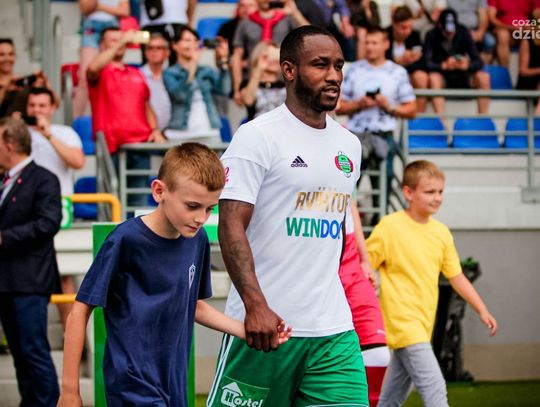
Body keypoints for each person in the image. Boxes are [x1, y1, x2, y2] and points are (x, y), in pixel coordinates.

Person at [57, 143, 291, 407]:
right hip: (132, 383)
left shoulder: (198, 240)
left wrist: (246, 331)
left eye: (209, 208)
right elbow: (80, 310)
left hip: (175, 383)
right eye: (192, 206)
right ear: (159, 191)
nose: (201, 218)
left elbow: (192, 305)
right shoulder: (125, 240)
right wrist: (70, 391)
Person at [206, 26, 368, 407]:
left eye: (338, 66)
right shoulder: (257, 136)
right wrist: (255, 305)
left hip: (333, 330)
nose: (333, 75)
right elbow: (230, 224)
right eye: (320, 65)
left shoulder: (350, 145)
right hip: (265, 328)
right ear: (289, 70)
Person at [366, 160, 498, 407]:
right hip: (403, 324)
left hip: (424, 324)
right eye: (429, 192)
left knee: (391, 398)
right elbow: (365, 264)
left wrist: (482, 309)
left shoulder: (441, 233)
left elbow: (457, 277)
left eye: (440, 191)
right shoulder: (389, 227)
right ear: (408, 193)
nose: (437, 198)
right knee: (435, 388)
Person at [0, 117, 62, 407]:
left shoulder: (44, 179)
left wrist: (5, 237)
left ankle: (48, 403)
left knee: (33, 350)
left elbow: (48, 223)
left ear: (10, 144)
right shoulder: (4, 180)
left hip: (30, 281)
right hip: (6, 281)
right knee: (19, 353)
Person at [336, 26, 416, 221]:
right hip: (355, 137)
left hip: (384, 136)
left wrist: (389, 106)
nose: (370, 47)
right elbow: (338, 106)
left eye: (374, 43)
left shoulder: (397, 72)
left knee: (383, 190)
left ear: (386, 44)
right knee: (346, 187)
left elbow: (412, 110)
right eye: (367, 43)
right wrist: (360, 104)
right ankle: (348, 231)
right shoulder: (354, 70)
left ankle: (377, 228)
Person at [25, 87, 86, 328]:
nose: (36, 110)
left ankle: (71, 338)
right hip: (24, 214)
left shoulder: (65, 132)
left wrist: (48, 134)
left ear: (52, 108)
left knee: (64, 278)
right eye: (32, 105)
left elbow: (78, 161)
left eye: (42, 105)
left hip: (59, 212)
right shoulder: (17, 133)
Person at [87, 28, 165, 207]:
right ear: (103, 45)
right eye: (113, 40)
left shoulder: (135, 72)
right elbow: (92, 68)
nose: (120, 43)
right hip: (111, 147)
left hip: (139, 147)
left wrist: (155, 130)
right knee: (111, 202)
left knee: (138, 203)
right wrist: (123, 41)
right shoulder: (100, 72)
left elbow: (146, 105)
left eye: (121, 39)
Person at [339, 199, 390, 407]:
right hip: (318, 269)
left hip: (352, 266)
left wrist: (365, 260)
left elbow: (349, 203)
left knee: (378, 355)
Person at [230, 0, 308, 106]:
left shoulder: (287, 18)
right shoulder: (245, 22)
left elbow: (310, 37)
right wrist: (237, 88)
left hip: (283, 78)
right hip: (254, 78)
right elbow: (237, 56)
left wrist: (295, 13)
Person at [163, 25, 231, 143]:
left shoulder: (206, 70)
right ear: (174, 45)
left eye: (195, 41)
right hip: (179, 134)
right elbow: (180, 95)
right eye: (187, 40)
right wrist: (192, 65)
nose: (192, 45)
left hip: (209, 131)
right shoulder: (170, 73)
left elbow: (225, 90)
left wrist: (224, 60)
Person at [424, 8, 490, 114]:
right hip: (444, 77)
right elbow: (426, 63)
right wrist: (443, 65)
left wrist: (467, 65)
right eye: (447, 31)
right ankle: (442, 121)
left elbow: (479, 61)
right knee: (433, 77)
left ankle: (483, 118)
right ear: (440, 26)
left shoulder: (464, 33)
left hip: (463, 76)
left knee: (484, 77)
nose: (450, 34)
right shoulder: (431, 35)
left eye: (452, 30)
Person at [73, 0, 130, 118]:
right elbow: (85, 8)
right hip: (91, 27)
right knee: (84, 77)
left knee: (116, 75)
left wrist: (99, 6)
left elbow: (125, 11)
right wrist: (106, 8)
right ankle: (75, 121)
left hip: (113, 28)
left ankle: (118, 116)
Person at [386, 6, 429, 112]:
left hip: (409, 72)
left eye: (410, 27)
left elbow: (423, 63)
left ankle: (418, 116)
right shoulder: (385, 35)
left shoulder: (414, 36)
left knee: (421, 77)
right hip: (388, 73)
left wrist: (410, 61)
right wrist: (398, 61)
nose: (407, 31)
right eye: (403, 27)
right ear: (394, 24)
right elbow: (380, 60)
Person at [0, 38, 57, 118]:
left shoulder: (21, 81)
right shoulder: (5, 85)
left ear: (15, 56)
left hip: (26, 125)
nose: (7, 58)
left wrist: (46, 84)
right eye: (2, 55)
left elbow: (55, 105)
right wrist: (5, 87)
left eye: (11, 54)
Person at [140, 0, 197, 65]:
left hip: (177, 19)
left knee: (176, 62)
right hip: (149, 21)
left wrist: (189, 21)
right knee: (149, 61)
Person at [240, 42, 285, 120]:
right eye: (267, 56)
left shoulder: (287, 85)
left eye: (276, 56)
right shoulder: (248, 83)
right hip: (258, 126)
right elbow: (248, 101)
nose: (273, 59)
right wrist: (259, 68)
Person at [140, 33, 172, 130]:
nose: (154, 51)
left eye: (159, 48)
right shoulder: (138, 76)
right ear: (145, 52)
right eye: (150, 48)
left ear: (167, 52)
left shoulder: (174, 75)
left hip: (172, 131)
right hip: (146, 131)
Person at [488, 0, 533, 67]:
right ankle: (504, 69)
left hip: (524, 31)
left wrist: (532, 27)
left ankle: (524, 70)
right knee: (503, 35)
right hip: (503, 28)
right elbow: (491, 17)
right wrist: (512, 27)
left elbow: (537, 14)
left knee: (526, 39)